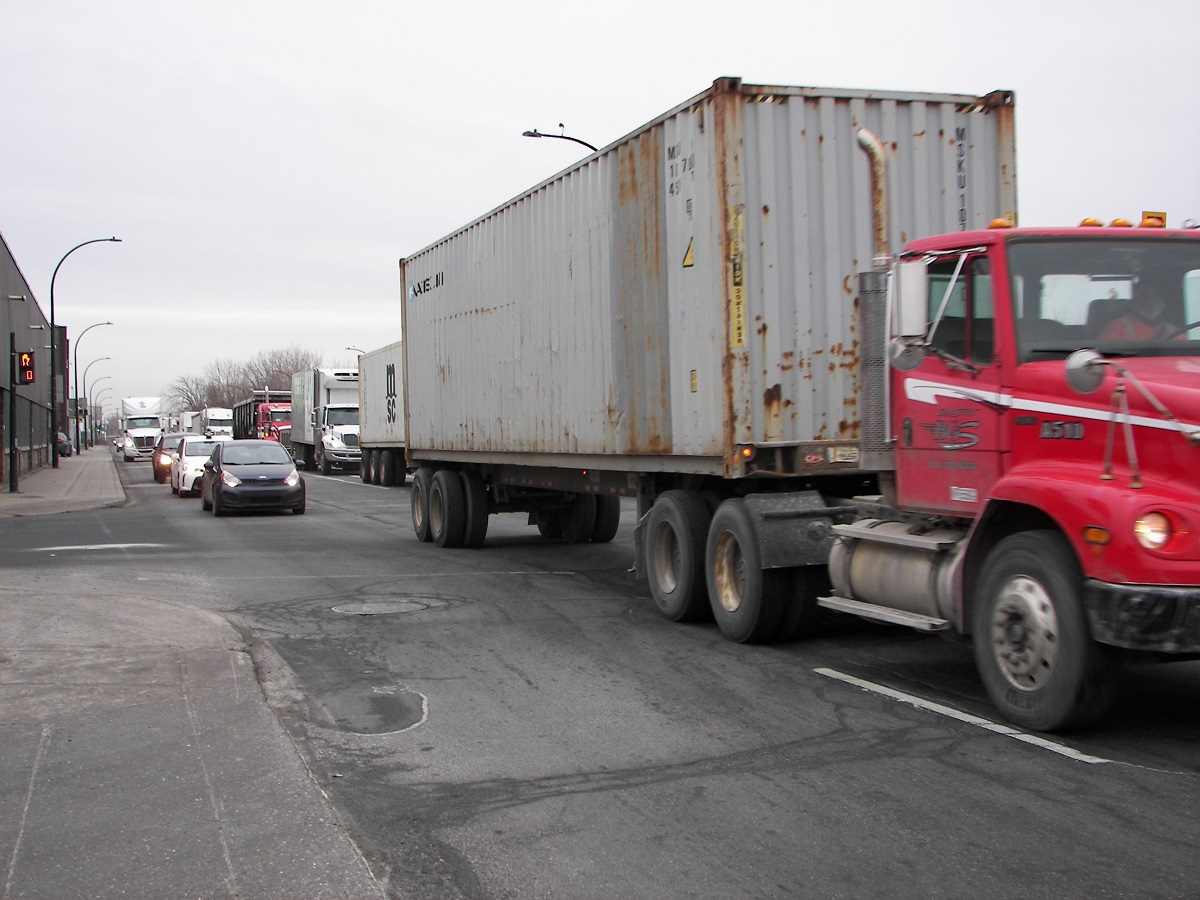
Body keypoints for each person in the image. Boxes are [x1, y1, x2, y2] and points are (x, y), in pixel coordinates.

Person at [1099, 285, 1182, 341]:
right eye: (1145, 296)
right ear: (1135, 300)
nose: (1150, 301)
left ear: (1163, 301)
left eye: (1154, 296)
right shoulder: (1117, 327)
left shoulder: (1174, 331)